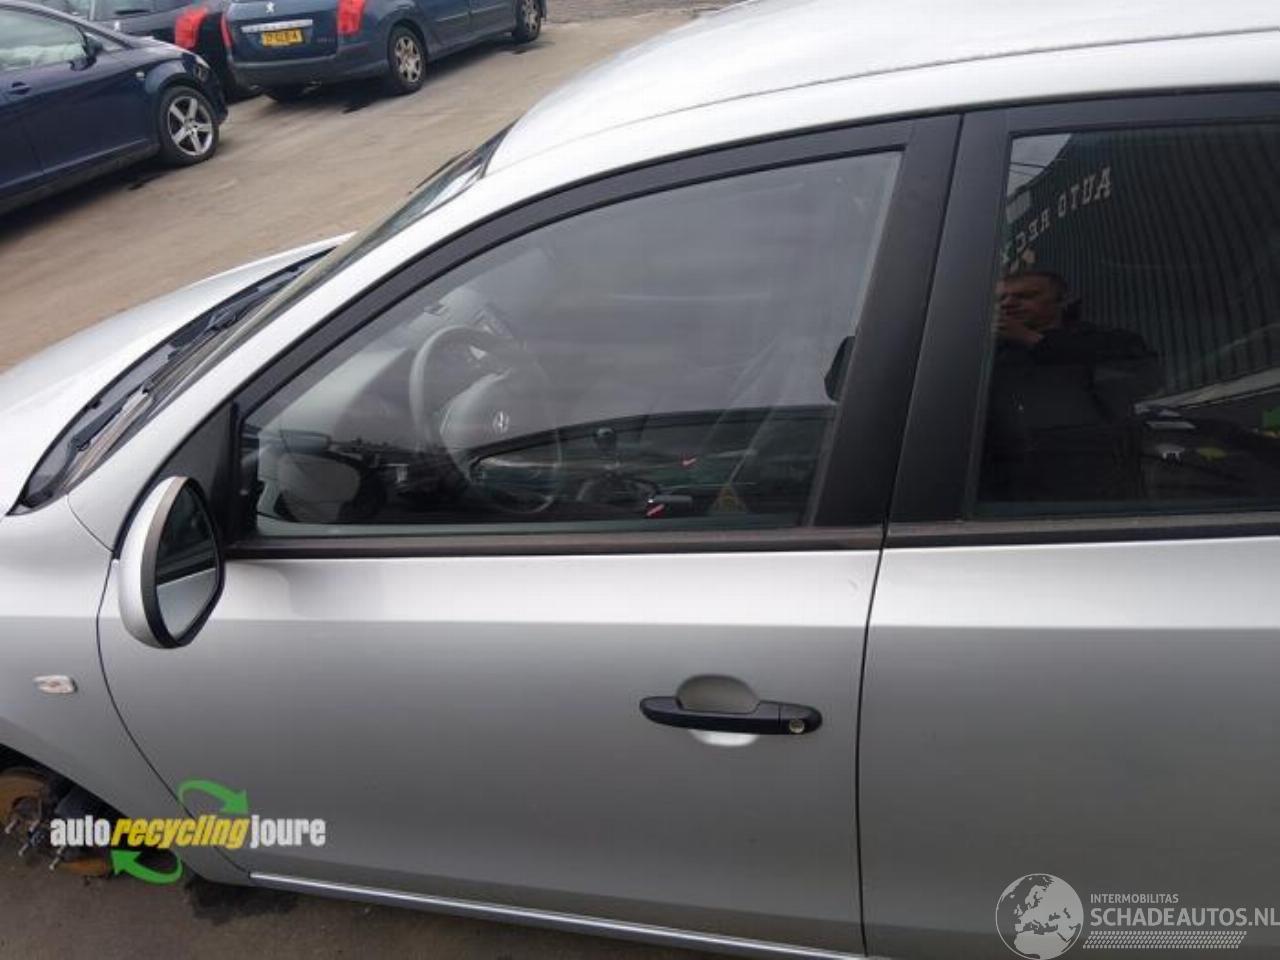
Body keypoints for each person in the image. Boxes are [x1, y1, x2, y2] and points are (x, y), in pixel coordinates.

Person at [981, 271, 1159, 505]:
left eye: (1025, 296)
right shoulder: (988, 352)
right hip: (1002, 483)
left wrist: (1030, 339)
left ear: (1062, 301)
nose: (1008, 304)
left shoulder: (1106, 340)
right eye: (1001, 299)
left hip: (1090, 478)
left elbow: (1147, 379)